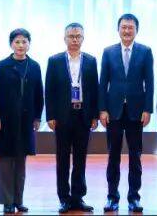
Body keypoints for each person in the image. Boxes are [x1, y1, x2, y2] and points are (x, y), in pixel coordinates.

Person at [98, 13, 155, 213]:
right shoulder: (108, 52)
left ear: (136, 30)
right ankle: (112, 197)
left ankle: (134, 197)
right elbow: (103, 82)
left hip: (136, 112)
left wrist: (148, 109)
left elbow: (150, 82)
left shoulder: (145, 51)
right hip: (113, 111)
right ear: (118, 29)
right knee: (113, 155)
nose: (127, 31)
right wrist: (102, 109)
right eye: (124, 27)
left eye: (131, 27)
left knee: (135, 156)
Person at [45, 23, 99, 214]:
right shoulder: (55, 60)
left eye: (78, 36)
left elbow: (95, 90)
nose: (75, 40)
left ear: (83, 39)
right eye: (71, 36)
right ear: (65, 38)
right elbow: (49, 90)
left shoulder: (91, 61)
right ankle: (64, 198)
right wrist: (50, 115)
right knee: (62, 159)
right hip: (62, 116)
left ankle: (78, 197)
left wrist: (94, 115)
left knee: (80, 159)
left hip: (83, 115)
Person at [0, 28, 44, 215]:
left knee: (21, 162)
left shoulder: (35, 66)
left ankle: (18, 200)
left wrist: (37, 117)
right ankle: (7, 201)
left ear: (29, 44)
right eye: (17, 42)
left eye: (24, 42)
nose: (21, 45)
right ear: (11, 44)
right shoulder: (2, 66)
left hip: (26, 121)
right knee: (6, 161)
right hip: (5, 121)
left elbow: (39, 94)